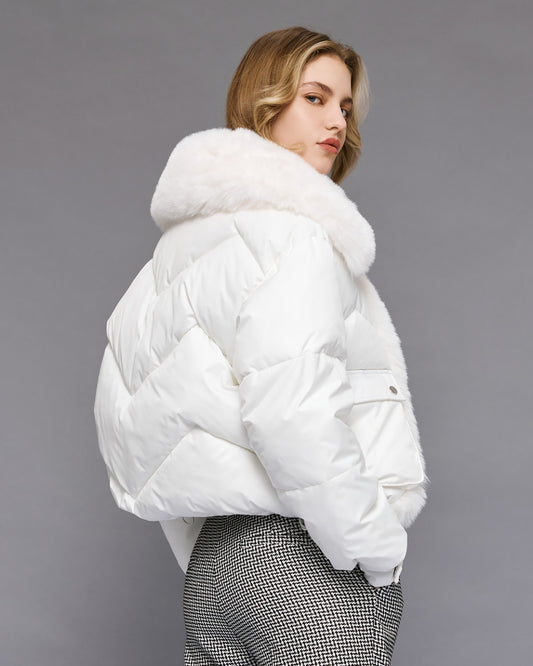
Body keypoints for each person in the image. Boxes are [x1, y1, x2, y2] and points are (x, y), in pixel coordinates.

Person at [94, 26, 429, 666]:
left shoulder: (174, 257)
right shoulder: (296, 237)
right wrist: (376, 548)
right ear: (264, 103)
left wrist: (216, 551)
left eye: (345, 106)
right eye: (315, 98)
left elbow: (134, 427)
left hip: (212, 571)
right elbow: (291, 412)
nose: (338, 121)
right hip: (301, 563)